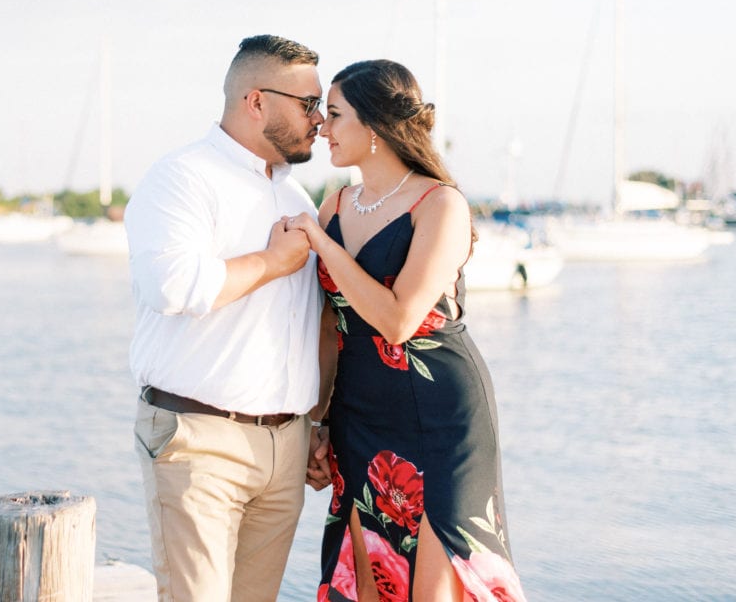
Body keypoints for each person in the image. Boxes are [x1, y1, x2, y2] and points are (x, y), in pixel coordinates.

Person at [287, 60, 527, 602]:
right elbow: (331, 328)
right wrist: (317, 423)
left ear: (373, 126)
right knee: (368, 576)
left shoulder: (440, 204)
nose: (323, 127)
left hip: (442, 417)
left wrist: (324, 247)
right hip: (359, 414)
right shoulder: (334, 207)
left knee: (436, 585)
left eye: (335, 114)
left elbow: (398, 320)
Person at [124, 34, 331, 602]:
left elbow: (312, 324)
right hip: (199, 440)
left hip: (286, 446)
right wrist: (269, 261)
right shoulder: (181, 178)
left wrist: (317, 422)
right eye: (307, 103)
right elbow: (171, 285)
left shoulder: (298, 200)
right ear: (256, 100)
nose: (319, 120)